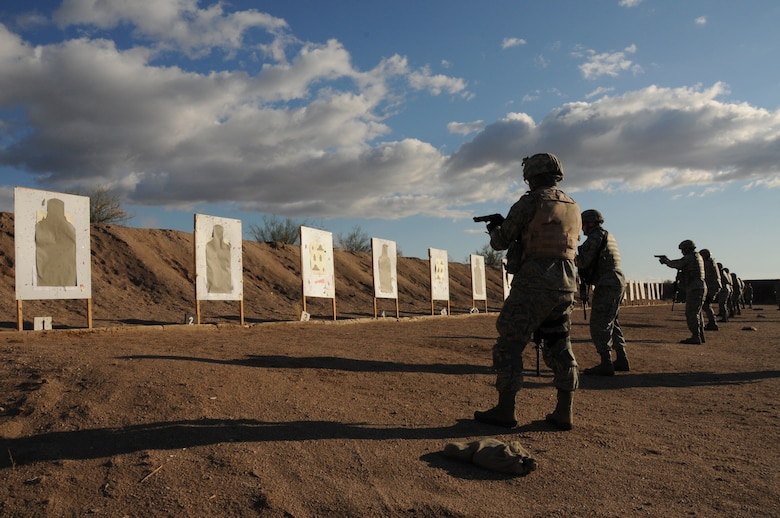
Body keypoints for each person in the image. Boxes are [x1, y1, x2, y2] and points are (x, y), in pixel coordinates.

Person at [474, 152, 581, 431]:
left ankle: (505, 410)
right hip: (567, 281)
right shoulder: (573, 205)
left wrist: (494, 228)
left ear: (531, 176)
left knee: (509, 343)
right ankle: (563, 411)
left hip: (534, 279)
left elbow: (501, 241)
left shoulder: (530, 202)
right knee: (559, 342)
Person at [576, 209, 628, 375]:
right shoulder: (608, 236)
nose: (582, 228)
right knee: (612, 321)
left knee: (599, 324)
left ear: (590, 223)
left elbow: (583, 262)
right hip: (616, 280)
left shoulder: (595, 238)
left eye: (583, 224)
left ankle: (606, 363)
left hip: (607, 283)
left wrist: (568, 252)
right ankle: (621, 358)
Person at [658, 240, 706, 344]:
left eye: (683, 250)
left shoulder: (690, 257)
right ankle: (700, 335)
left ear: (687, 249)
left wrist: (666, 261)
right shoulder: (696, 257)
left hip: (694, 287)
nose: (682, 252)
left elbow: (678, 264)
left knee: (691, 313)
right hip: (699, 286)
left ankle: (696, 336)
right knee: (697, 312)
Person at [698, 249, 722, 331]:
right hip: (713, 286)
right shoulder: (711, 262)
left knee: (706, 305)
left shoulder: (708, 263)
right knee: (706, 305)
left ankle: (712, 323)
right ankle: (712, 323)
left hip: (712, 286)